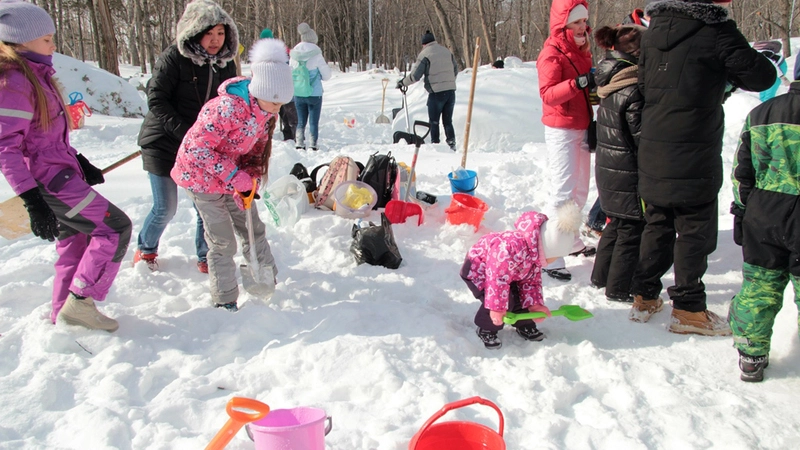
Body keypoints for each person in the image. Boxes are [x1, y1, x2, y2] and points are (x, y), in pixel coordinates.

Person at [628, 0, 776, 334]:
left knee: (659, 220)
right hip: (693, 145)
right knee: (695, 227)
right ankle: (689, 309)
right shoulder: (716, 29)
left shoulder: (654, 30)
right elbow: (762, 75)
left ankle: (645, 294)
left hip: (654, 142)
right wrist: (724, 77)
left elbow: (645, 83)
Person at [0, 0, 131, 331]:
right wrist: (32, 200)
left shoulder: (36, 75)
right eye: (46, 39)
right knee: (114, 228)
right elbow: (6, 147)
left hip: (60, 174)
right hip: (50, 182)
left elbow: (43, 139)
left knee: (74, 239)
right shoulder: (14, 82)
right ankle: (81, 302)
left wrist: (80, 162)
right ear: (21, 41)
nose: (53, 45)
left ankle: (64, 313)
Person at [172, 38, 293, 311]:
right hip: (199, 179)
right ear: (260, 89)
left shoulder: (266, 114)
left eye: (281, 103)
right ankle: (225, 299)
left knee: (253, 226)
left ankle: (267, 278)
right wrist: (234, 176)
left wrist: (247, 179)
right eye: (274, 102)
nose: (277, 109)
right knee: (222, 240)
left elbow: (254, 152)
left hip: (230, 176)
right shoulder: (227, 108)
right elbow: (195, 150)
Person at [135, 0, 239, 273]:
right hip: (164, 141)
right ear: (194, 31)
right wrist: (186, 132)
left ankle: (206, 256)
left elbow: (232, 103)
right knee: (165, 207)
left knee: (207, 205)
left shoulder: (226, 63)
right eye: (209, 33)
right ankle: (146, 249)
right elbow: (157, 100)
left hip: (203, 148)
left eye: (220, 32)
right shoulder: (174, 58)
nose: (216, 40)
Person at [728, 57, 800, 382]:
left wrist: (743, 211)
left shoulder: (761, 113)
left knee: (759, 287)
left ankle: (751, 355)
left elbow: (741, 171)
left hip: (764, 213)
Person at [463, 202, 583, 349]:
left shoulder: (534, 254)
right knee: (502, 301)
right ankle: (487, 327)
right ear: (547, 248)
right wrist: (498, 308)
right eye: (555, 256)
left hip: (509, 273)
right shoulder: (509, 250)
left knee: (520, 296)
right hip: (479, 270)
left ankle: (524, 323)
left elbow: (531, 283)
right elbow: (497, 281)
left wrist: (535, 305)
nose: (554, 261)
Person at [536, 0, 596, 282]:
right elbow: (547, 94)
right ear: (563, 25)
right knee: (562, 192)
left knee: (580, 191)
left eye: (584, 21)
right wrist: (579, 83)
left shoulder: (582, 49)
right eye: (576, 22)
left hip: (583, 126)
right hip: (561, 129)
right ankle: (550, 254)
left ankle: (569, 241)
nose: (583, 27)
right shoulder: (551, 52)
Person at [589, 24, 646, 304]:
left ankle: (600, 277)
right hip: (627, 171)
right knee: (631, 230)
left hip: (608, 168)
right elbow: (640, 136)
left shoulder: (611, 81)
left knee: (615, 225)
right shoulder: (633, 87)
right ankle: (619, 287)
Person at [396, 29, 459, 151]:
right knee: (447, 121)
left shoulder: (425, 54)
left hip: (436, 93)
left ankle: (436, 145)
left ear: (423, 44)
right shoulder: (447, 52)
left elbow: (415, 76)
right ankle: (451, 144)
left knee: (434, 121)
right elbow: (455, 70)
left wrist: (402, 82)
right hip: (451, 92)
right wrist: (448, 82)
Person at [289, 22, 331, 151]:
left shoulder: (294, 55)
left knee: (301, 120)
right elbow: (327, 75)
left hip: (298, 92)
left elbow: (290, 72)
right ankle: (313, 143)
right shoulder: (316, 54)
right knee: (313, 120)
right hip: (314, 94)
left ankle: (299, 142)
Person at [262, 27, 297, 141]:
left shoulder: (262, 52)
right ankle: (290, 135)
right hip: (282, 87)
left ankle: (269, 136)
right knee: (286, 113)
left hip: (269, 89)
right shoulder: (282, 50)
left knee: (271, 114)